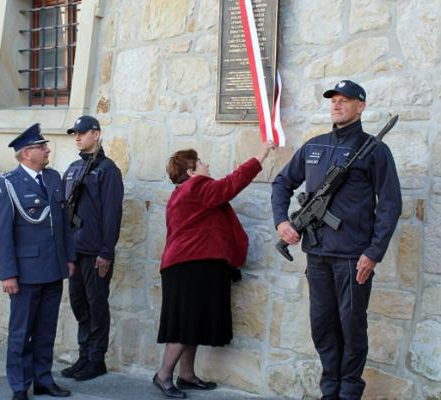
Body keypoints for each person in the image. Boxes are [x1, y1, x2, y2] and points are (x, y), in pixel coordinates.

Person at [271, 80, 402, 399]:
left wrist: (374, 253)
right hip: (317, 255)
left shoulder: (375, 150)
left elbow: (390, 204)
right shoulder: (314, 147)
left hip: (353, 258)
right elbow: (281, 183)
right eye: (334, 100)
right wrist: (282, 221)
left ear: (361, 106)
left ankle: (349, 392)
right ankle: (330, 389)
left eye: (346, 100)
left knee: (352, 327)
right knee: (322, 324)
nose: (337, 105)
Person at [154, 140, 275, 399]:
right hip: (189, 265)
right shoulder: (198, 186)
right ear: (191, 172)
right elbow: (231, 184)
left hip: (187, 264)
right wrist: (261, 153)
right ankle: (164, 375)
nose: (205, 163)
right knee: (184, 322)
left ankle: (186, 375)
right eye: (199, 162)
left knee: (192, 321)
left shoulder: (182, 192)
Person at [0, 123, 76, 400]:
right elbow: (1, 233)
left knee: (46, 330)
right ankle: (19, 385)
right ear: (27, 153)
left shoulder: (52, 178)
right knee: (21, 332)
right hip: (25, 273)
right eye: (42, 147)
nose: (47, 150)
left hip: (53, 268)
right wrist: (7, 274)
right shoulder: (8, 185)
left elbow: (63, 223)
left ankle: (43, 379)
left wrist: (69, 258)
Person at [60, 116, 123, 381]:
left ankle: (96, 360)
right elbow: (64, 211)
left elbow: (112, 214)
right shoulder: (74, 168)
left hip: (96, 251)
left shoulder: (108, 170)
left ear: (96, 134)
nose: (77, 137)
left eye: (83, 133)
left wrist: (106, 251)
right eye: (75, 133)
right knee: (79, 304)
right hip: (75, 251)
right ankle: (84, 355)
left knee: (97, 305)